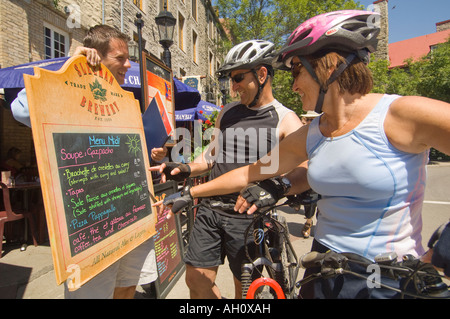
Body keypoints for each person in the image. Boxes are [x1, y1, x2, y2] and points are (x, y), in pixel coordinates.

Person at [160, 10, 450, 298]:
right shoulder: (313, 132)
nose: (294, 84)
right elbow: (250, 172)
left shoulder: (400, 113)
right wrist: (280, 184)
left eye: (297, 69)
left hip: (388, 278)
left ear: (330, 66)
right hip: (323, 268)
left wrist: (444, 248)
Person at [11, 24, 161, 299]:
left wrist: (148, 156)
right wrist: (69, 65)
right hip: (93, 226)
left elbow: (126, 155)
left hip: (132, 213)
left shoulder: (125, 101)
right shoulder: (70, 92)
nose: (128, 65)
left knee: (127, 287)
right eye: (120, 58)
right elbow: (20, 108)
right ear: (97, 56)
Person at [155, 40, 303, 299]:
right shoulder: (228, 112)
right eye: (230, 79)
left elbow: (303, 165)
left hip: (246, 217)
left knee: (243, 290)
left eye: (237, 78)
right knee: (196, 279)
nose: (233, 87)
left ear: (261, 74)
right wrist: (186, 167)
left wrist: (279, 186)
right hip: (210, 210)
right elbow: (210, 156)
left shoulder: (285, 118)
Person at [299, 111, 320, 238]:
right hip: (307, 172)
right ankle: (308, 221)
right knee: (310, 200)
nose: (312, 122)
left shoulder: (328, 133)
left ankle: (321, 224)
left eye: (315, 119)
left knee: (324, 203)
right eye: (310, 119)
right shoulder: (301, 135)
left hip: (325, 174)